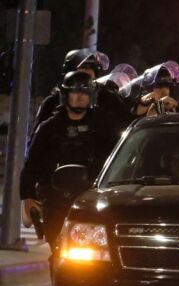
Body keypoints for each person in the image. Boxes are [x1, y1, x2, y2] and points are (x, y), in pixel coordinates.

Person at [20, 71, 122, 251]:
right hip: (55, 199)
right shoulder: (49, 128)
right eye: (75, 92)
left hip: (90, 199)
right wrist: (27, 196)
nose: (80, 97)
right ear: (65, 95)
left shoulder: (103, 127)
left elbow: (117, 160)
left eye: (84, 93)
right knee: (57, 252)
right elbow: (31, 163)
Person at [33, 48, 130, 135]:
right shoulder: (52, 102)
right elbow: (37, 143)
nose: (88, 71)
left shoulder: (107, 98)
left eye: (91, 68)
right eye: (83, 67)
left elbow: (127, 128)